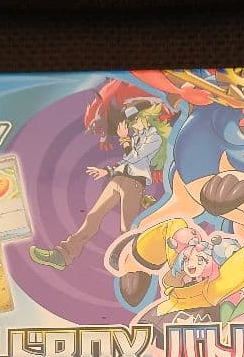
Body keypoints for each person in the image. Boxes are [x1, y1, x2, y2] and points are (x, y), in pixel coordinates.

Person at [30, 103, 170, 305]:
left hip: (134, 184)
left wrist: (124, 139)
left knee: (127, 230)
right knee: (93, 216)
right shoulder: (137, 138)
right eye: (131, 121)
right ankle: (62, 255)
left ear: (146, 118)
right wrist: (107, 171)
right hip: (118, 179)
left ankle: (134, 273)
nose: (133, 124)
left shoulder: (154, 138)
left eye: (135, 120)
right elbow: (126, 163)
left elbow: (135, 157)